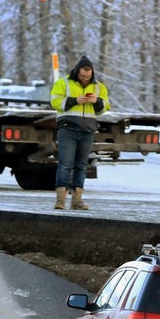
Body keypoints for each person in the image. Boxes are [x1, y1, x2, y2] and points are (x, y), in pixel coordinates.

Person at [50, 55, 110, 210]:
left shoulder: (98, 87)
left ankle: (77, 201)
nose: (85, 78)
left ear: (92, 74)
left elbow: (106, 107)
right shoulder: (63, 83)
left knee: (82, 166)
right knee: (65, 164)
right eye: (82, 76)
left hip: (87, 130)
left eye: (88, 76)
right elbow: (54, 101)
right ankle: (60, 201)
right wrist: (75, 100)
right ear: (77, 72)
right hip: (67, 128)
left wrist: (96, 101)